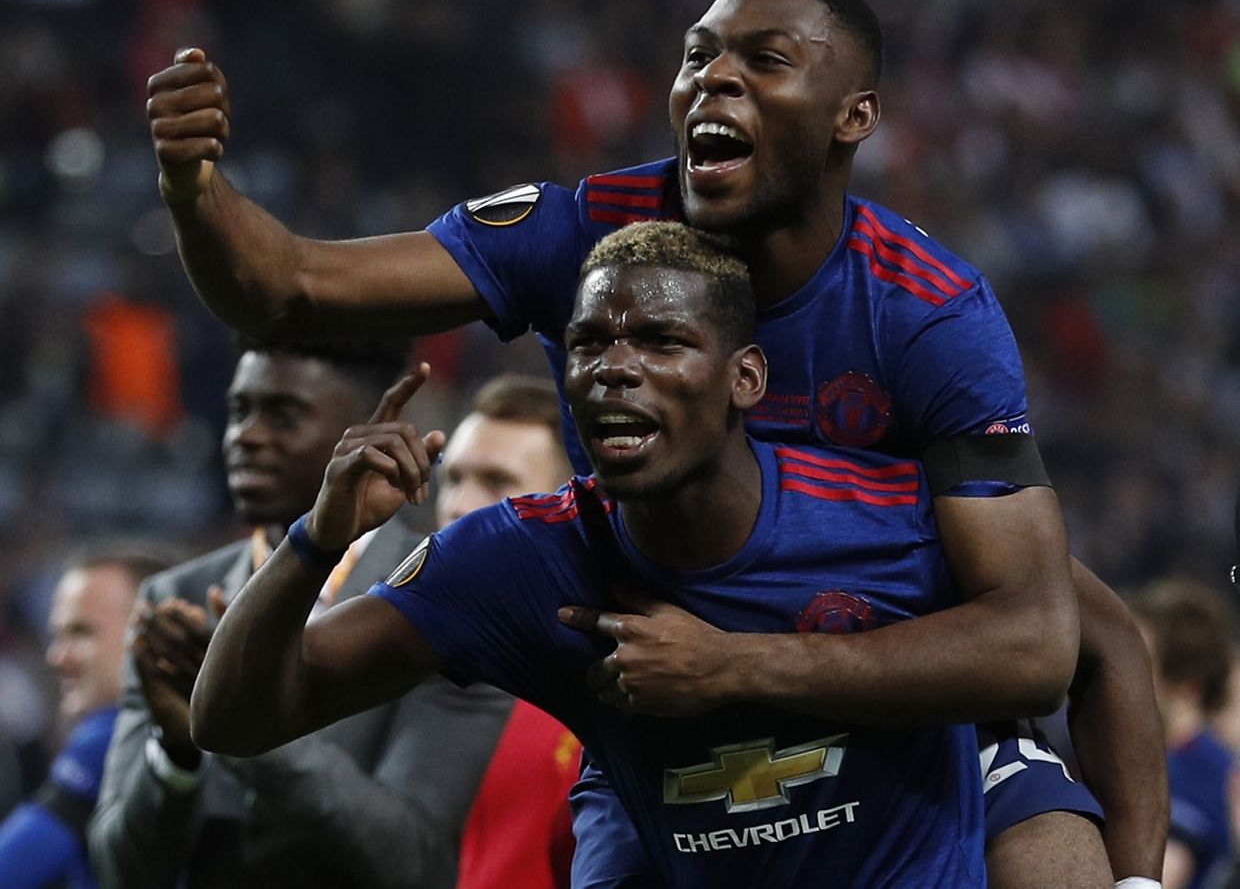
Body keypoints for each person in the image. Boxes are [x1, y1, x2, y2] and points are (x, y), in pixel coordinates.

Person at [145, 0, 1165, 887]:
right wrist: (193, 189)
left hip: (892, 698)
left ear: (854, 115)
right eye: (696, 56)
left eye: (763, 60)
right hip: (649, 714)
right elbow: (290, 289)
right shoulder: (588, 240)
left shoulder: (925, 316)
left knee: (1051, 857)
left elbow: (1059, 636)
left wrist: (1131, 880)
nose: (711, 80)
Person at [191, 220, 1073, 886]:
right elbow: (233, 718)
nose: (615, 368)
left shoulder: (888, 515)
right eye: (588, 343)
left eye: (660, 341)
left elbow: (1060, 646)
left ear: (747, 377)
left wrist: (733, 668)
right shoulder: (517, 558)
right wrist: (317, 538)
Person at [87, 338, 511, 889]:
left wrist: (236, 716)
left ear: (363, 434)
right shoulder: (175, 598)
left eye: (284, 416)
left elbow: (417, 861)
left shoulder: (441, 602)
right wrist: (175, 753)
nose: (248, 436)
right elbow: (120, 872)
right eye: (239, 410)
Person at [437, 374, 580, 889]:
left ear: (568, 503)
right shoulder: (399, 664)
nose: (457, 506)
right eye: (452, 478)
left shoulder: (624, 673)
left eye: (496, 482)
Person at [0, 543, 175, 888]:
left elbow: (10, 869)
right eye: (56, 634)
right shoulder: (208, 732)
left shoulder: (114, 734)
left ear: (155, 633)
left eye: (81, 632)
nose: (56, 656)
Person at [1129, 578, 1236, 889]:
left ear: (1187, 684)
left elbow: (1159, 878)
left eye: (1140, 664)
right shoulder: (1155, 759)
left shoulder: (1196, 771)